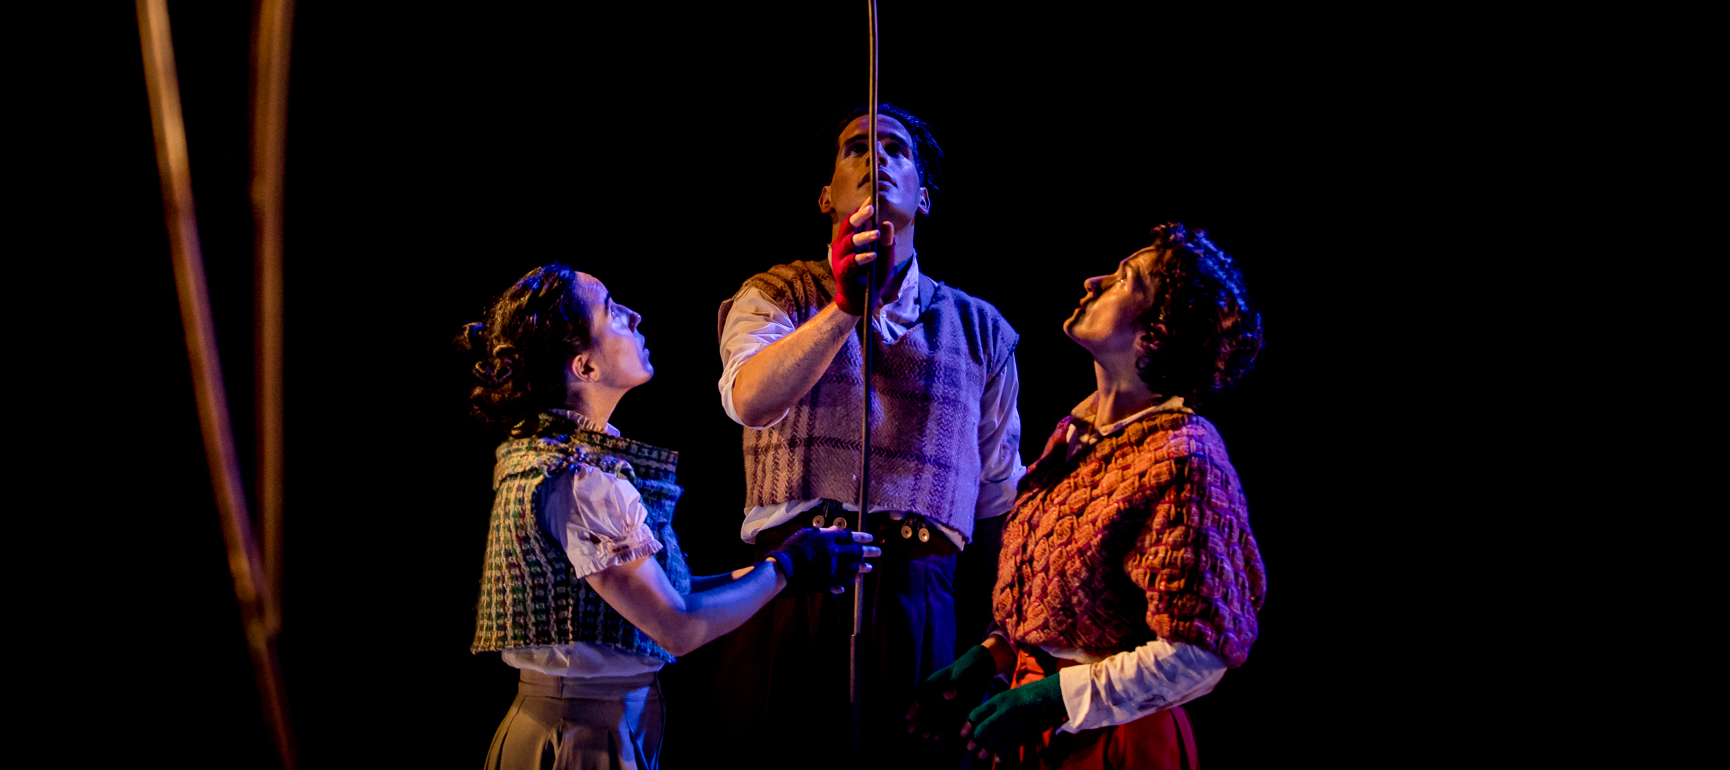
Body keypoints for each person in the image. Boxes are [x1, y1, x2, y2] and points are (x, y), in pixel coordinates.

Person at [466, 264, 880, 770]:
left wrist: (777, 574)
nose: (634, 316)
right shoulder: (577, 479)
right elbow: (678, 626)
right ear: (585, 367)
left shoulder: (564, 460)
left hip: (589, 718)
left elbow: (664, 592)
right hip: (578, 734)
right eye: (610, 311)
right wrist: (785, 569)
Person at [714, 105, 1023, 756]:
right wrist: (843, 309)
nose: (875, 157)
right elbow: (750, 400)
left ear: (925, 197)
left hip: (919, 598)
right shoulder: (776, 293)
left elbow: (999, 499)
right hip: (790, 587)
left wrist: (1004, 644)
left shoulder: (982, 329)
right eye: (856, 147)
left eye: (895, 149)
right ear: (826, 195)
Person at [906, 222, 1265, 768]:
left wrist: (1056, 698)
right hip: (1036, 725)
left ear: (1156, 332)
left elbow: (1200, 651)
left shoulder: (1184, 457)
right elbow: (1066, 609)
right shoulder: (1073, 438)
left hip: (1118, 738)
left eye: (1124, 279)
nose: (1093, 282)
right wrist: (993, 654)